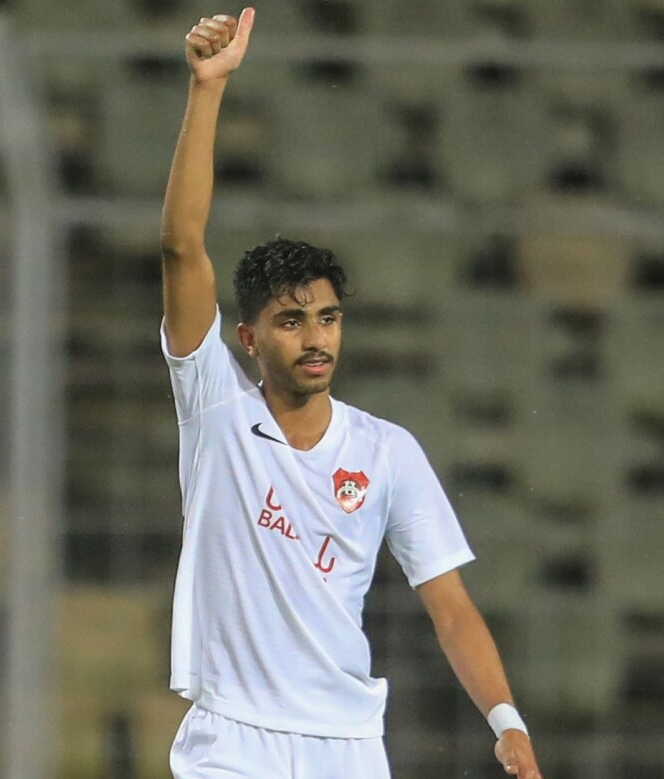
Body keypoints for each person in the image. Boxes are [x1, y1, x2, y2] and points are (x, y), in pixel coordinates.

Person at [158, 8, 543, 778]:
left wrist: (507, 722)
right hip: (233, 740)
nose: (316, 338)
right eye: (291, 320)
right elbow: (180, 245)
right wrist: (208, 89)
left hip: (348, 745)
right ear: (248, 338)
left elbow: (451, 606)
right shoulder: (215, 407)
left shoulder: (387, 451)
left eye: (328, 318)